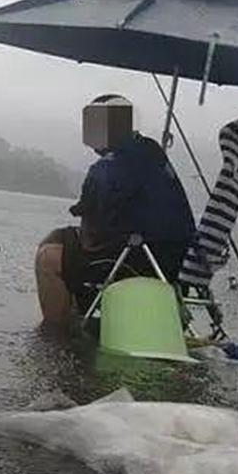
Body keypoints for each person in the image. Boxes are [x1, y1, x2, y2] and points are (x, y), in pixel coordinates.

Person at [35, 95, 195, 326]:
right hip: (174, 263)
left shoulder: (108, 166)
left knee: (48, 258)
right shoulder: (152, 151)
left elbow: (91, 231)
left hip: (139, 263)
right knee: (60, 238)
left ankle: (58, 337)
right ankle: (74, 318)